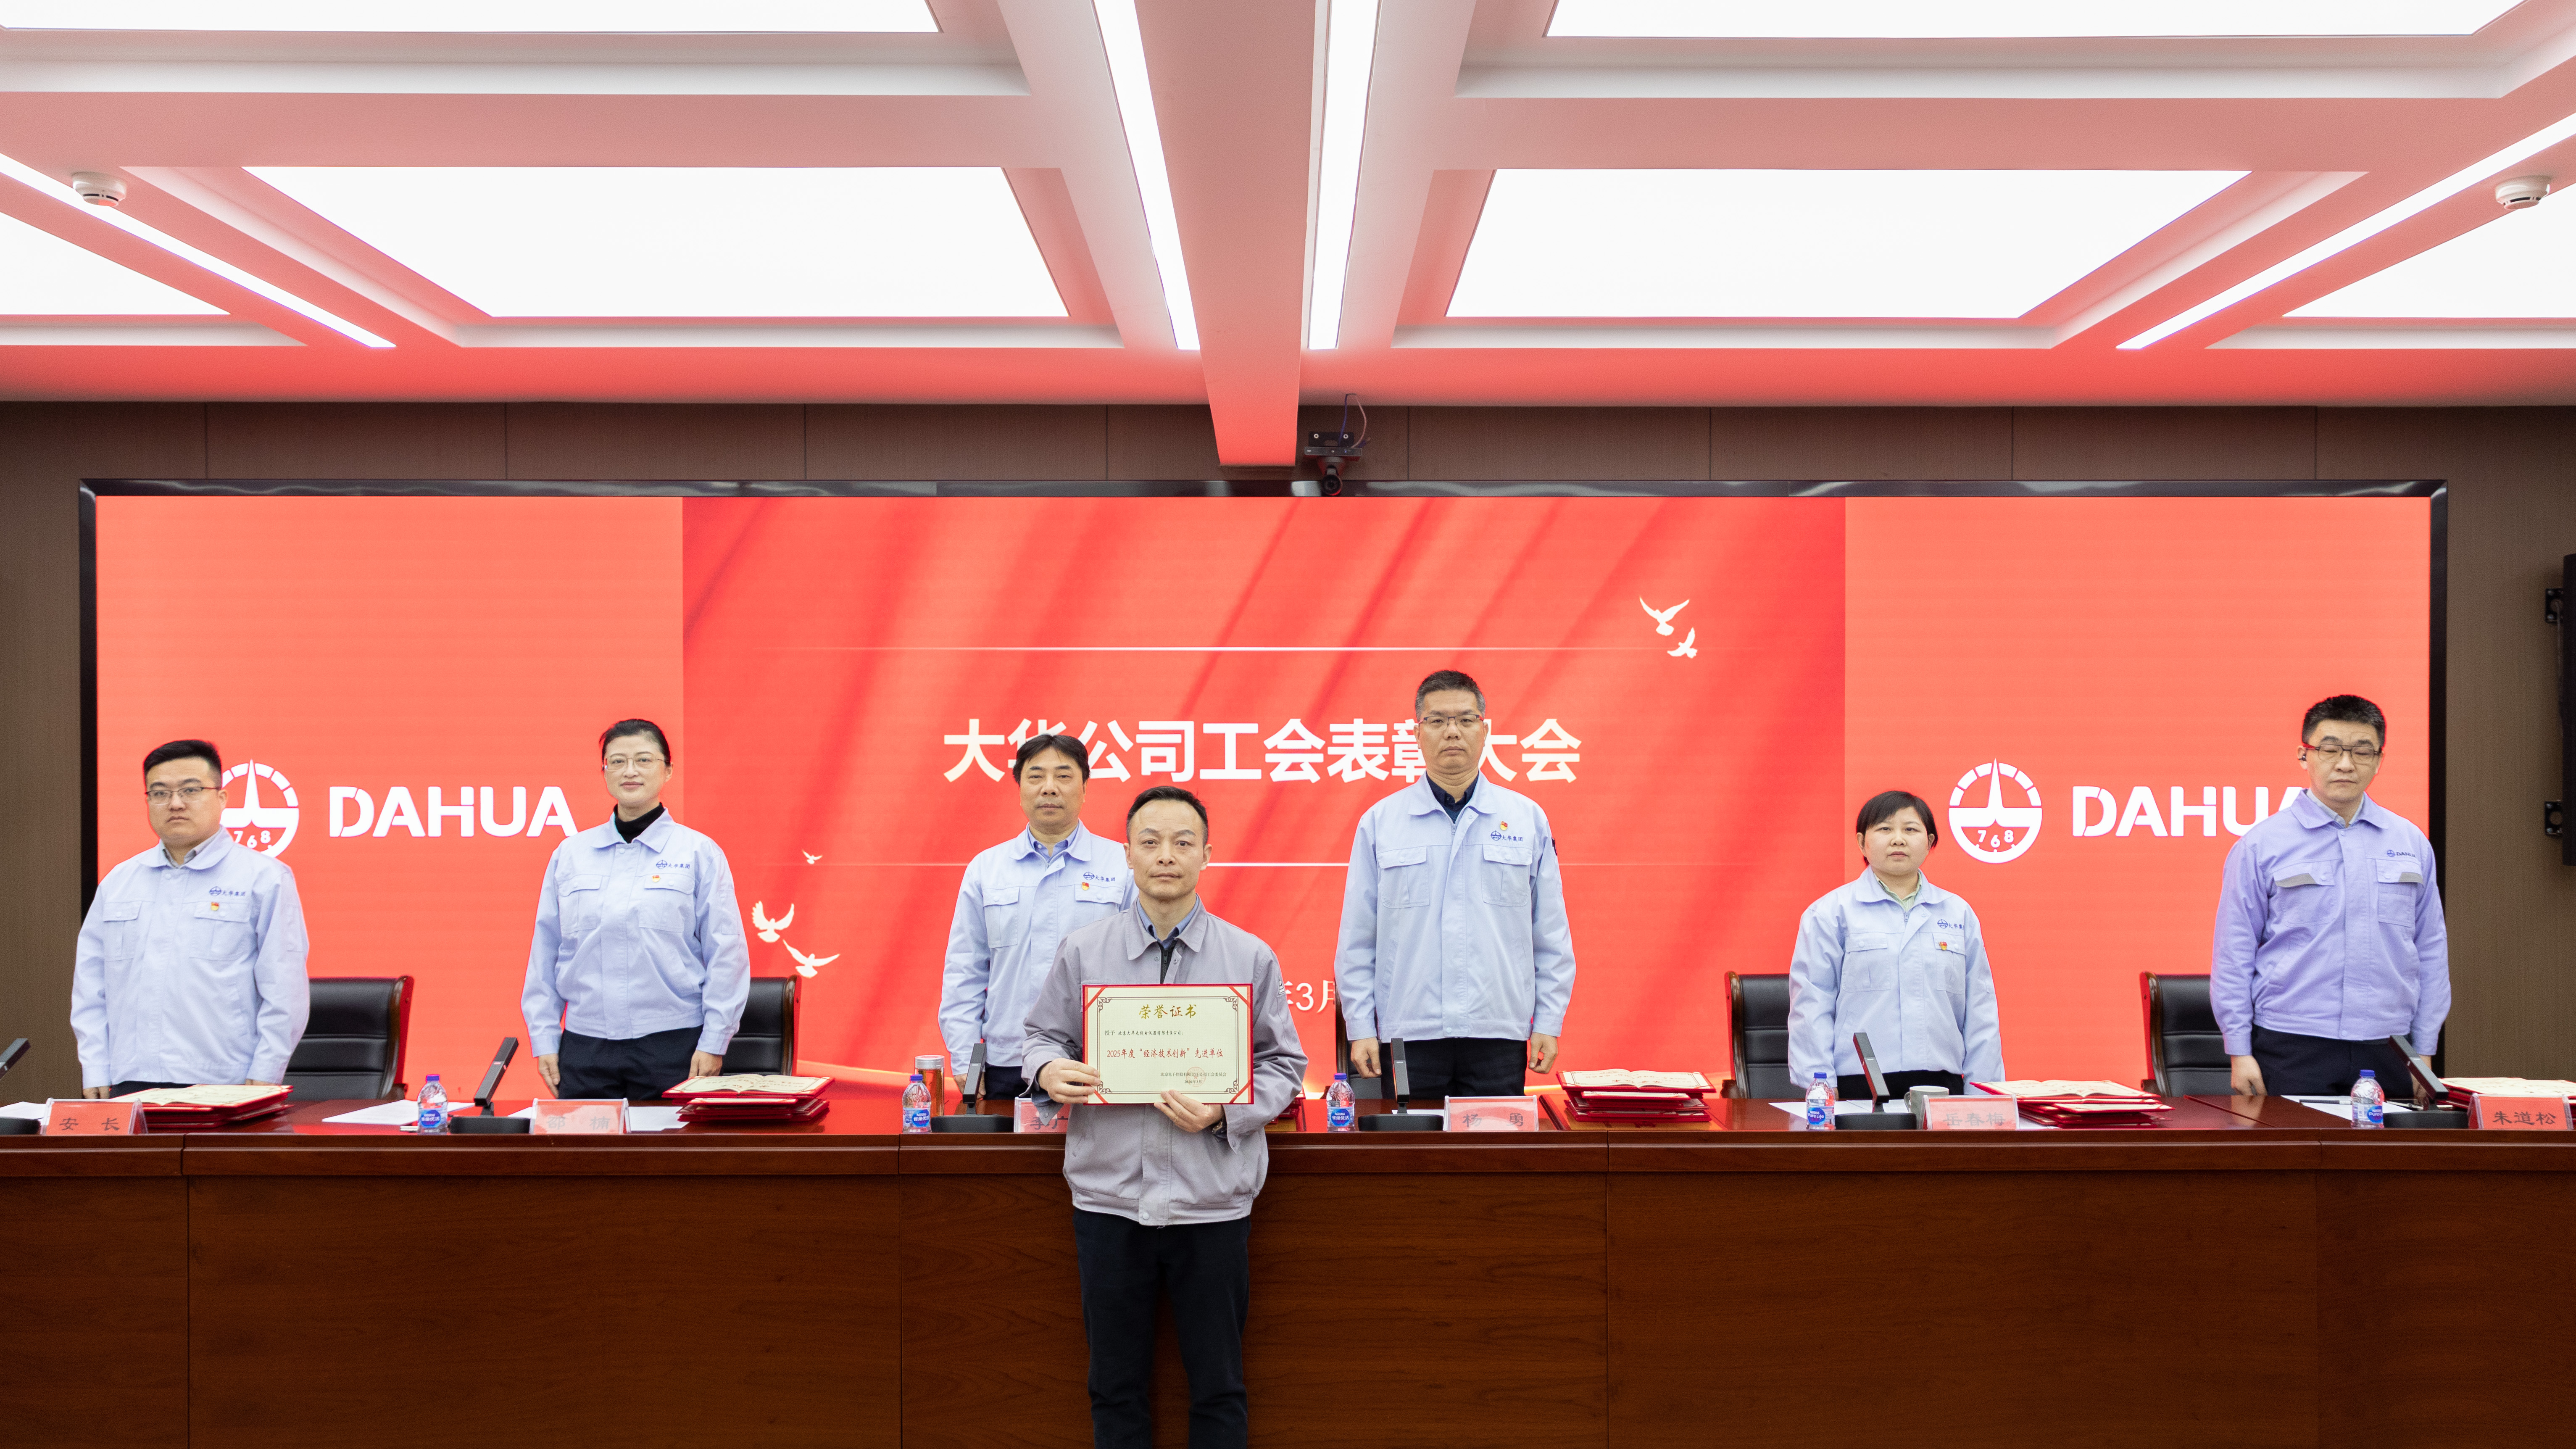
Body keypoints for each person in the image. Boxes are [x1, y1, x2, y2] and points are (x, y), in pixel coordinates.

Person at [1023, 786, 1306, 1449]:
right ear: (1126, 854)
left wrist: (1224, 1110)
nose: (1166, 856)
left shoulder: (1249, 956)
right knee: (1114, 1387)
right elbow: (1040, 1037)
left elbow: (1284, 1065)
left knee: (1218, 1388)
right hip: (1109, 1201)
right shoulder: (1083, 951)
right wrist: (1047, 1070)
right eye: (1149, 842)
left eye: (1183, 842)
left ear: (1207, 854)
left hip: (1210, 1204)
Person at [1333, 669, 1575, 1098]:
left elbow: (1550, 933)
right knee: (1413, 1141)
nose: (1452, 732)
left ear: (1485, 731)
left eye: (1465, 720)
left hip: (1498, 1030)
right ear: (1417, 733)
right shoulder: (1382, 822)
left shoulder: (1525, 818)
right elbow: (1357, 938)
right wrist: (1361, 1026)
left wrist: (1548, 1020)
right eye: (1437, 720)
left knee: (1494, 1143)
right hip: (1409, 1030)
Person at [2213, 695, 2448, 1097]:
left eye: (2362, 751)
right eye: (2330, 749)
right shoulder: (2261, 845)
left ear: (2379, 759)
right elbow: (2234, 953)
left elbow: (2430, 949)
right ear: (2304, 755)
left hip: (2390, 1045)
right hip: (2291, 1043)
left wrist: (2424, 1049)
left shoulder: (2411, 842)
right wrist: (2239, 1050)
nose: (2345, 764)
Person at [522, 719, 750, 1101]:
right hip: (585, 1046)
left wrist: (715, 1041)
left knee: (669, 1143)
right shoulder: (571, 854)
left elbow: (727, 953)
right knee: (582, 1142)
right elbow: (546, 952)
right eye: (617, 761)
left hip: (674, 1044)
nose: (630, 771)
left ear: (668, 770)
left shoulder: (699, 853)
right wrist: (544, 1036)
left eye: (644, 760)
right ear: (605, 772)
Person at [71, 739, 311, 1099]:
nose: (176, 803)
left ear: (222, 798)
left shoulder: (264, 878)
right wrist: (95, 1067)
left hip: (227, 1081)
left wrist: (266, 1072)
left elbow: (285, 988)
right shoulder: (120, 882)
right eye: (160, 793)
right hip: (129, 1079)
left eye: (191, 790)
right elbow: (91, 987)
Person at [939, 733, 1133, 1101]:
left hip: (1096, 1059)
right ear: (1020, 789)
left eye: (1064, 776)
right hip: (1007, 1061)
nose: (1049, 788)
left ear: (1085, 788)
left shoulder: (1122, 865)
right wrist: (966, 1058)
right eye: (1036, 776)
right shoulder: (987, 869)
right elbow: (966, 970)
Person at [1786, 790, 2004, 1101]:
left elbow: (1980, 1008)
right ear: (1862, 842)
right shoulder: (1831, 913)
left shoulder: (1958, 913)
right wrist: (1820, 1084)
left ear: (1929, 842)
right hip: (1856, 1085)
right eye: (1885, 829)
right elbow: (1812, 1002)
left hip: (1944, 1086)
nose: (1898, 840)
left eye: (1911, 830)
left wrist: (1984, 1094)